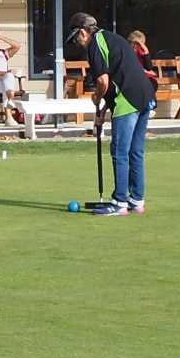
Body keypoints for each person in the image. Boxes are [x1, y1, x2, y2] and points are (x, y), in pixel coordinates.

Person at [67, 11, 156, 214]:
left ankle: (119, 202)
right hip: (145, 96)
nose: (78, 44)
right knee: (135, 151)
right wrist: (104, 111)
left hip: (128, 100)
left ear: (83, 32)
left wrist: (97, 98)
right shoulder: (112, 37)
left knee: (119, 151)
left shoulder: (95, 44)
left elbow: (103, 82)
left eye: (76, 39)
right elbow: (117, 79)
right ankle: (136, 200)